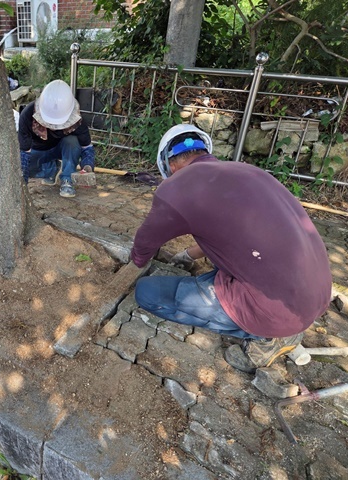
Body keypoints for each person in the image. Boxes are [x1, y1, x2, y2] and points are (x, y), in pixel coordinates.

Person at [130, 124, 332, 373]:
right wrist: (188, 255)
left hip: (279, 311)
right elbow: (230, 231)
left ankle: (268, 338)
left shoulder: (176, 187)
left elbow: (144, 243)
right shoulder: (248, 172)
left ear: (170, 166)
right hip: (316, 293)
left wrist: (136, 262)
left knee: (147, 292)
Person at [18, 80, 95, 198]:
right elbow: (24, 153)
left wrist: (87, 166)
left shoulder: (77, 121)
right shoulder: (27, 115)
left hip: (60, 149)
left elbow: (87, 147)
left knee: (72, 141)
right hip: (37, 151)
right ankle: (51, 169)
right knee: (27, 168)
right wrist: (22, 184)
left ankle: (67, 179)